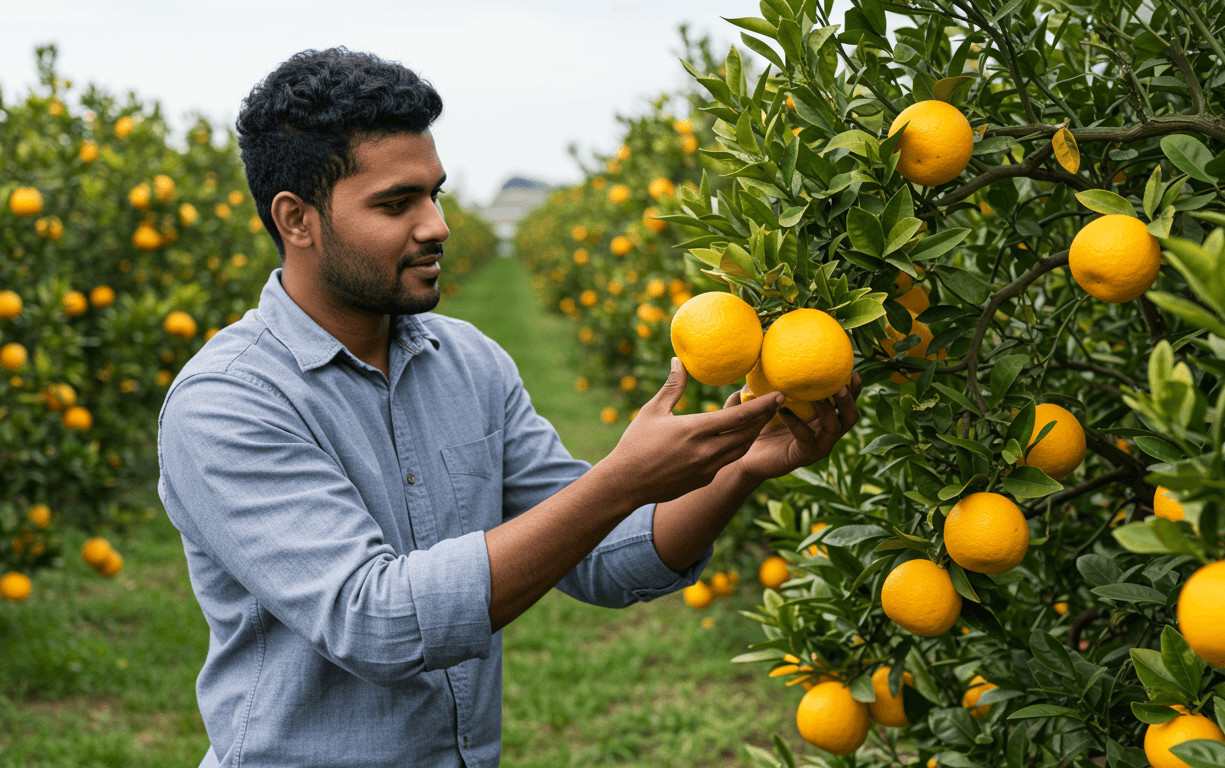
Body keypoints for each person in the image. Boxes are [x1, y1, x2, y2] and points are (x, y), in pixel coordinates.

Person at [157, 47, 861, 768]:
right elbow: (378, 623)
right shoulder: (228, 404)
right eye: (397, 204)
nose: (436, 225)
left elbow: (604, 562)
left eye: (434, 193)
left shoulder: (469, 364)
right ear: (296, 219)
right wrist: (619, 480)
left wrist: (738, 467)